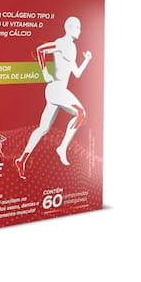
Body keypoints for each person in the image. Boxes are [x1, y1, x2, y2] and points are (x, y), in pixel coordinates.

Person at [15, 16, 92, 179]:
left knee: (43, 129)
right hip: (55, 89)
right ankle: (62, 148)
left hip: (58, 91)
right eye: (77, 27)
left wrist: (86, 60)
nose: (80, 31)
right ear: (69, 28)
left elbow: (77, 73)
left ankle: (21, 160)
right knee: (81, 113)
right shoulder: (61, 43)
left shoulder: (73, 47)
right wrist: (45, 72)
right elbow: (40, 50)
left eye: (80, 27)